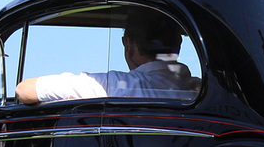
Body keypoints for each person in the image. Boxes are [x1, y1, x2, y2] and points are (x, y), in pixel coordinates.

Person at [17, 10, 195, 104]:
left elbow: (24, 90)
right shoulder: (198, 88)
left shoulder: (115, 85)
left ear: (129, 45)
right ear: (178, 44)